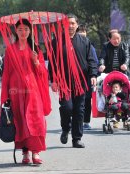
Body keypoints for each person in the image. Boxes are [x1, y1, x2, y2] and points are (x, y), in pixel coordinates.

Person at [1, 19, 51, 164]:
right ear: (16, 31)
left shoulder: (35, 48)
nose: (23, 32)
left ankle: (36, 152)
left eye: (26, 29)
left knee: (36, 119)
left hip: (32, 89)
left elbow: (43, 72)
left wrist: (36, 61)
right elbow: (6, 73)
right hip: (15, 90)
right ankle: (25, 153)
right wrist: (5, 94)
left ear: (31, 31)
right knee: (20, 120)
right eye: (20, 29)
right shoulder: (10, 50)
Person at [49, 14, 97, 148]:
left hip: (81, 82)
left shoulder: (84, 41)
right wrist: (53, 79)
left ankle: (76, 138)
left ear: (77, 25)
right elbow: (52, 62)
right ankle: (65, 128)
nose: (70, 26)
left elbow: (91, 60)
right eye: (67, 23)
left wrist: (93, 75)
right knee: (67, 107)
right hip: (64, 81)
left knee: (79, 110)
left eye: (72, 23)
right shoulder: (56, 42)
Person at [98, 29, 129, 128]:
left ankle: (126, 116)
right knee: (103, 87)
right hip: (109, 73)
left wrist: (125, 64)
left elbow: (127, 56)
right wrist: (102, 65)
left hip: (122, 72)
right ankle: (109, 110)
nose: (117, 40)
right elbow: (102, 57)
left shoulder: (124, 45)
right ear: (109, 39)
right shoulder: (106, 46)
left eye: (118, 38)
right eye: (114, 39)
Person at [77, 24, 99, 130]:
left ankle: (86, 122)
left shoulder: (90, 46)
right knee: (76, 100)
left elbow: (94, 61)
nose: (82, 33)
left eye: (83, 31)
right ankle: (76, 120)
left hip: (87, 78)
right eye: (80, 31)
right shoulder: (72, 44)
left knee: (86, 100)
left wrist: (93, 75)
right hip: (75, 78)